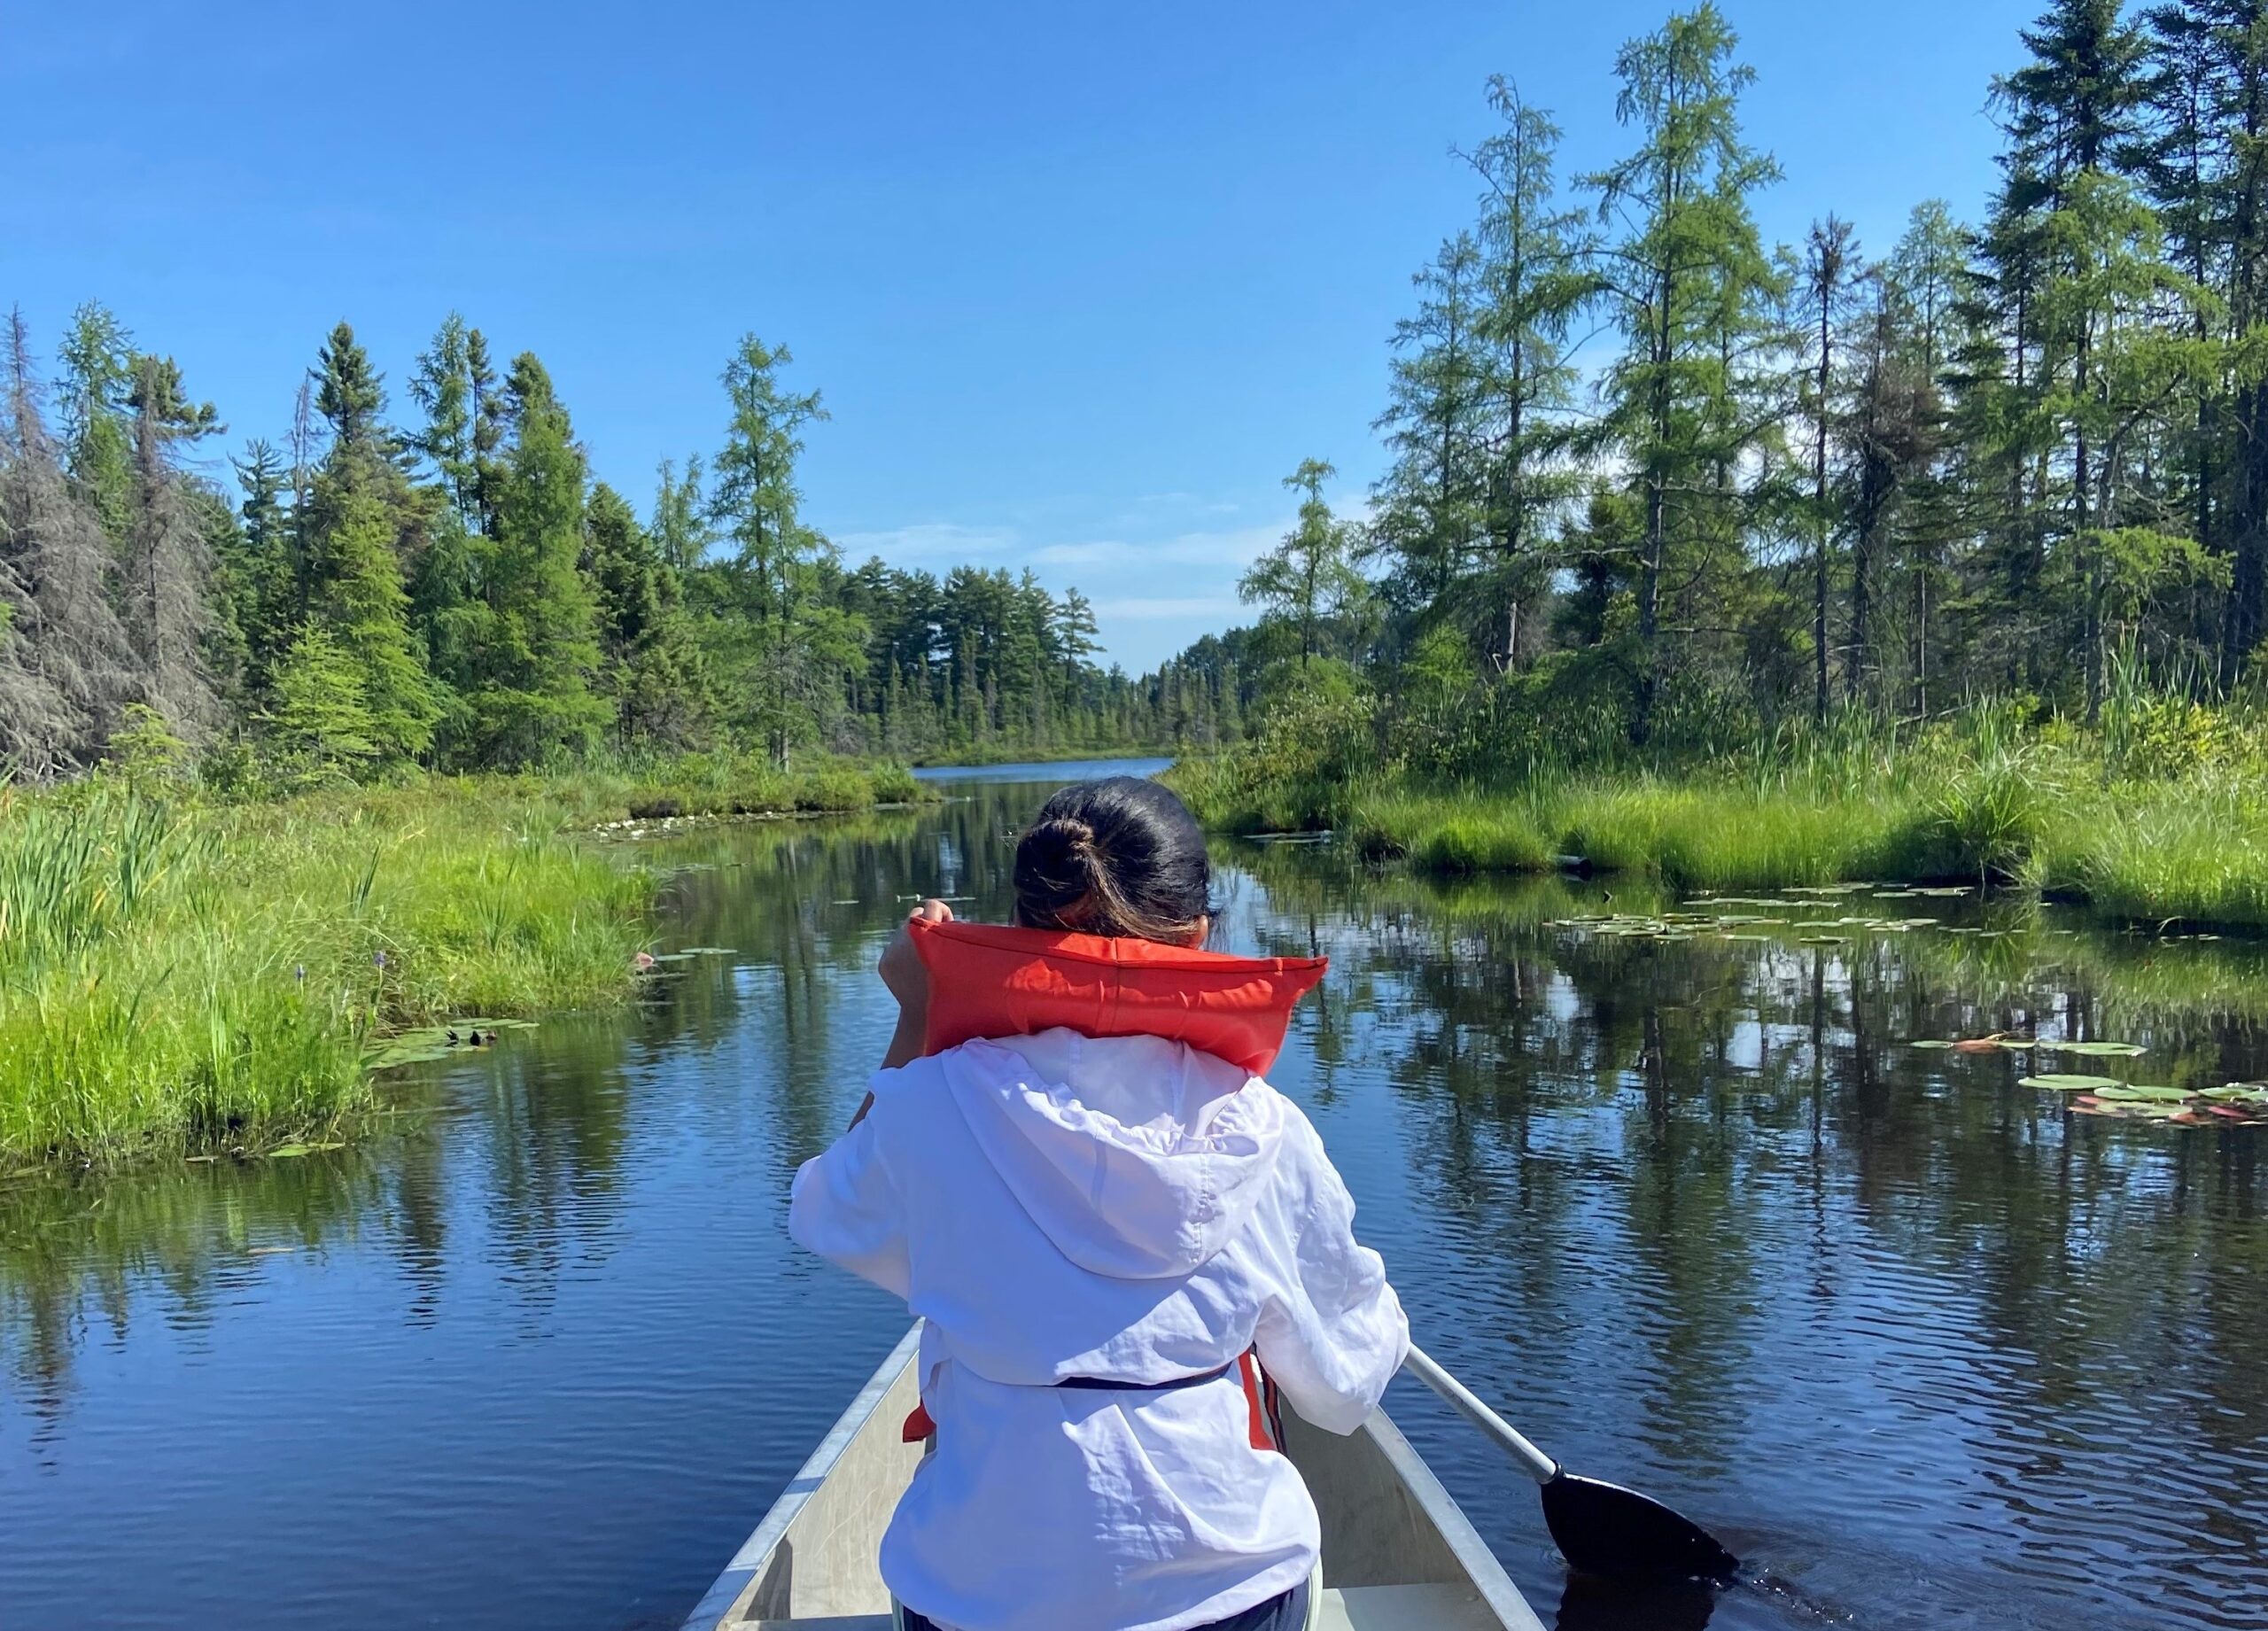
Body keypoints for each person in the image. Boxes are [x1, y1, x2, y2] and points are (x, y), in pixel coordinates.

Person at [788, 776, 1409, 1631]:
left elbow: (825, 1215)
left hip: (976, 1604)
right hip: (1227, 1605)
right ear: (1198, 936)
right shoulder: (1267, 1131)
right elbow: (1344, 1393)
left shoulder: (928, 1105)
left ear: (1016, 932)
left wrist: (919, 1013)